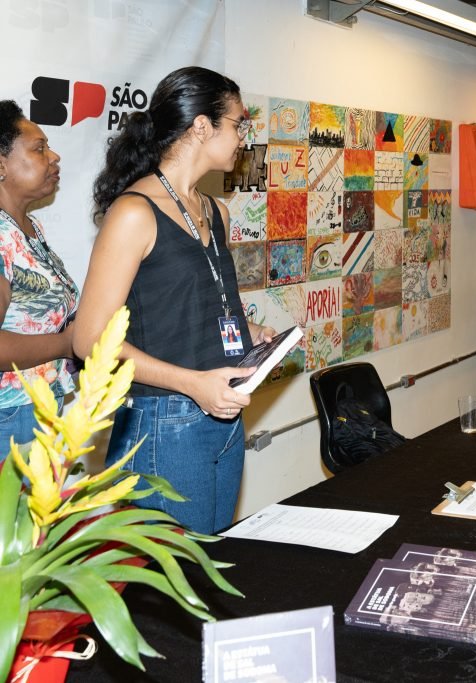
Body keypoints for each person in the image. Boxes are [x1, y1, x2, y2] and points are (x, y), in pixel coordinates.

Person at [74, 67, 275, 534]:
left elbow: (203, 305)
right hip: (163, 421)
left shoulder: (215, 210)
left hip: (224, 416)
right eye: (238, 123)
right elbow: (89, 340)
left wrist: (254, 334)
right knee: (176, 592)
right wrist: (192, 382)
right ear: (201, 127)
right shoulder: (133, 213)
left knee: (211, 569)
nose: (244, 136)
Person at [0, 100, 78, 448]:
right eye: (40, 148)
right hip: (10, 417)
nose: (54, 156)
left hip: (39, 408)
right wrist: (68, 343)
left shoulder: (30, 229)